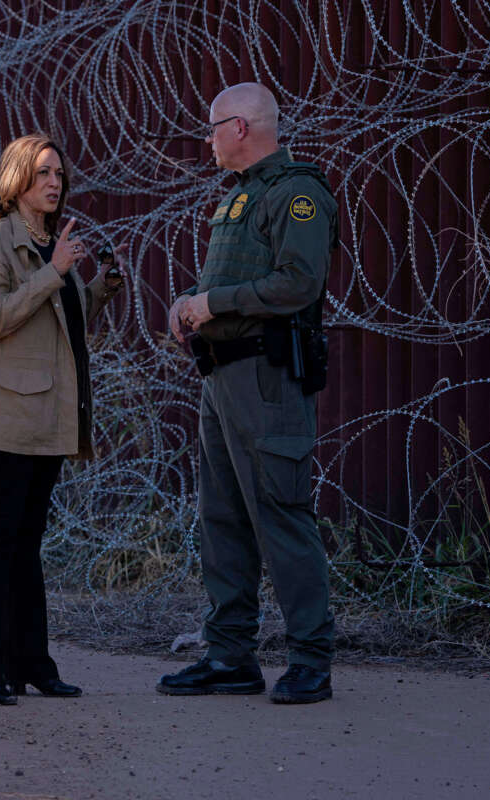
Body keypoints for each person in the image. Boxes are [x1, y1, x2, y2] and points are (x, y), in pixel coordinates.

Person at [157, 83, 338, 704]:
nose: (206, 140)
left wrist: (211, 303)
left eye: (212, 128)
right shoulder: (240, 196)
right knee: (223, 517)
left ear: (240, 128)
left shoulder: (297, 194)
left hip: (266, 378)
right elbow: (237, 281)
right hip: (222, 376)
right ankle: (230, 654)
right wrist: (194, 309)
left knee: (280, 513)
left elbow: (296, 284)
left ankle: (311, 659)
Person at [0, 133, 124, 705]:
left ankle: (32, 665)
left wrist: (98, 288)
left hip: (48, 412)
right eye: (44, 172)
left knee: (28, 541)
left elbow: (57, 320)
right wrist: (54, 272)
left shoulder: (51, 241)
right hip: (7, 412)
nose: (55, 182)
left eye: (59, 174)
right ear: (16, 179)